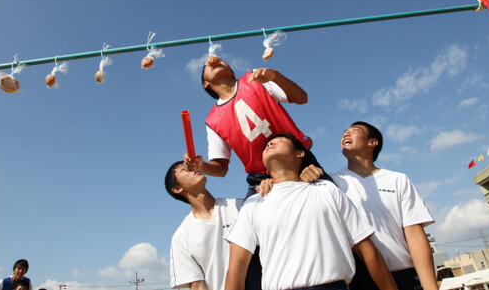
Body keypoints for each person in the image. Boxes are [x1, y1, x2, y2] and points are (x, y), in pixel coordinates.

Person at [224, 133, 397, 290]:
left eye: (279, 141)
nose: (270, 144)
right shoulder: (254, 203)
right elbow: (237, 267)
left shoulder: (327, 190)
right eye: (267, 145)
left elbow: (367, 249)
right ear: (265, 167)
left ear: (300, 154)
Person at [303, 121, 437, 290]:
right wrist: (306, 176)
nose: (346, 134)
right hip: (360, 280)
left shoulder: (397, 179)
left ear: (372, 143)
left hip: (403, 275)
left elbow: (414, 234)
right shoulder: (332, 183)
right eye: (344, 133)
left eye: (354, 131)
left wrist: (430, 286)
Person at [187, 59, 330, 198]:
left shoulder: (255, 78)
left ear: (231, 71)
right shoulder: (212, 120)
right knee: (250, 219)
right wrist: (201, 166)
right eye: (206, 65)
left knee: (330, 199)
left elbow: (302, 98)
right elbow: (221, 167)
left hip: (298, 161)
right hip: (261, 178)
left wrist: (275, 76)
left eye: (222, 61)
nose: (214, 61)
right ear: (206, 84)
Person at [166, 156, 243, 290]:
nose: (193, 169)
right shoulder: (181, 238)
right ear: (177, 188)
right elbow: (197, 286)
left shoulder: (241, 207)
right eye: (185, 169)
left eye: (193, 165)